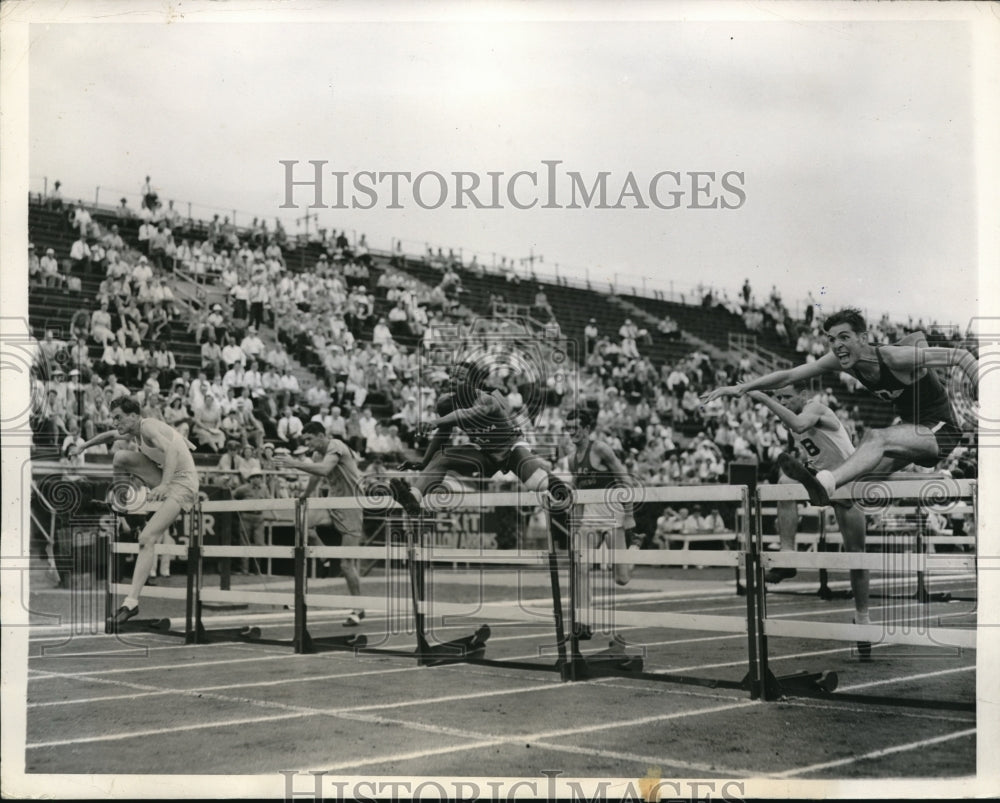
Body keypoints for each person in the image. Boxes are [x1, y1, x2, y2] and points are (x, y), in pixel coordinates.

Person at [702, 308, 977, 506]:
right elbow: (789, 376)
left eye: (844, 337)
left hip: (942, 428)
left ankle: (826, 482)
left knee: (875, 437)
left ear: (863, 337)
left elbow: (961, 355)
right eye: (831, 339)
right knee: (866, 479)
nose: (837, 346)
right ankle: (945, 480)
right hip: (912, 429)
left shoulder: (894, 358)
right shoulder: (840, 359)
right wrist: (743, 387)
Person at [388, 358, 573, 539]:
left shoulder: (487, 400)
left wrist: (434, 421)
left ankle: (554, 482)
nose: (452, 380)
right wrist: (424, 462)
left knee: (535, 483)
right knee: (441, 457)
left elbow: (467, 414)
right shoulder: (445, 403)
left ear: (472, 383)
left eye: (460, 378)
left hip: (510, 448)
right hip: (484, 453)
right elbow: (443, 434)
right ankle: (413, 499)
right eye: (451, 376)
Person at [747, 387, 873, 651]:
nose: (781, 402)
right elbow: (812, 450)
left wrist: (764, 399)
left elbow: (799, 423)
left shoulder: (814, 408)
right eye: (778, 398)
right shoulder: (790, 424)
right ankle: (788, 555)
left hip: (847, 480)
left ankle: (863, 619)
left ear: (802, 394)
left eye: (785, 397)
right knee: (784, 482)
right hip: (820, 479)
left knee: (856, 556)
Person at [69, 396, 199, 627]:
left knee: (147, 538)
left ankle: (131, 602)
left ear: (133, 416)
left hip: (183, 484)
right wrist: (83, 446)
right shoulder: (136, 431)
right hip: (166, 476)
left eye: (118, 417)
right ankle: (121, 505)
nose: (114, 421)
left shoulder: (148, 426)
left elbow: (171, 451)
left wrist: (165, 485)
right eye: (112, 417)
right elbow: (109, 436)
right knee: (120, 456)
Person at [272, 421, 365, 626]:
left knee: (346, 565)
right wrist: (304, 497)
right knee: (303, 524)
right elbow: (315, 478)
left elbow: (323, 470)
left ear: (322, 435)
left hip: (351, 506)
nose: (307, 444)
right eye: (304, 440)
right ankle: (323, 558)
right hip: (332, 503)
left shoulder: (336, 446)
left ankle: (358, 608)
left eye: (309, 439)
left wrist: (294, 463)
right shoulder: (316, 454)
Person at [565, 406, 640, 640]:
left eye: (575, 429)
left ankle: (635, 548)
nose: (571, 433)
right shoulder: (571, 459)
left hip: (612, 518)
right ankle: (585, 621)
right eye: (568, 429)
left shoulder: (600, 449)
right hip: (589, 520)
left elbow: (624, 478)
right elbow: (578, 494)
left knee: (622, 579)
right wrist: (574, 526)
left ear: (587, 429)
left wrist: (629, 515)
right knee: (581, 566)